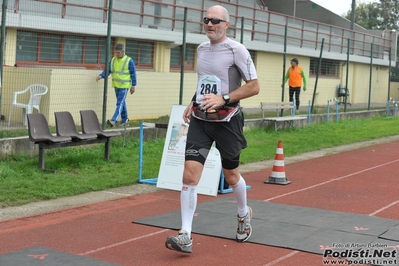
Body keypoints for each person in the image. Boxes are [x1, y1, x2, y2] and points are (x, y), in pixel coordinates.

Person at [165, 5, 260, 253]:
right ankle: (185, 234)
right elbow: (204, 81)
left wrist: (224, 98)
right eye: (206, 20)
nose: (209, 24)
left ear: (226, 24)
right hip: (200, 120)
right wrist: (192, 101)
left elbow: (254, 86)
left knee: (231, 176)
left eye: (215, 21)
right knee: (189, 176)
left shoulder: (236, 49)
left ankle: (243, 213)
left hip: (228, 122)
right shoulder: (202, 48)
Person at [96, 43, 137, 127]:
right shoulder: (113, 60)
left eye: (118, 52)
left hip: (124, 86)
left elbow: (133, 73)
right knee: (122, 103)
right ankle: (125, 121)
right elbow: (108, 70)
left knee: (119, 103)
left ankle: (114, 120)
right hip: (116, 85)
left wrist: (133, 86)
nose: (116, 54)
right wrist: (101, 76)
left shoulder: (129, 60)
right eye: (115, 52)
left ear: (123, 52)